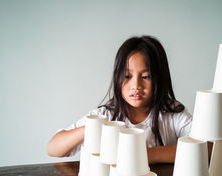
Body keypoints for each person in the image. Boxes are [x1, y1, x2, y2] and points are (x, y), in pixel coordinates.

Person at [47, 35, 193, 164]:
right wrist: (90, 128)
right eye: (127, 76)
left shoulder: (173, 113)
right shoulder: (106, 115)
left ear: (160, 78)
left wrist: (146, 155)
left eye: (145, 77)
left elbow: (207, 148)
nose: (136, 86)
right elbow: (53, 148)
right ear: (117, 77)